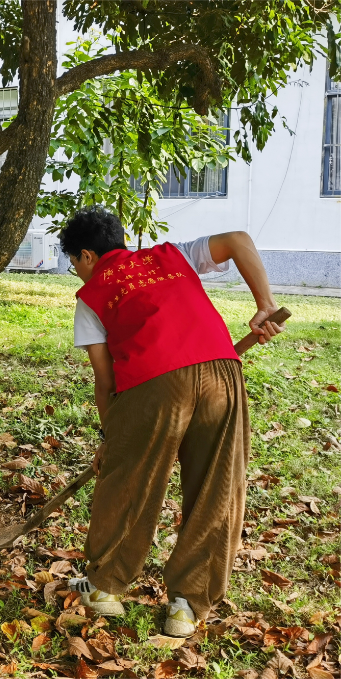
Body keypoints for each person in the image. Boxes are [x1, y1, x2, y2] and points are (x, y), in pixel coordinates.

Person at [59, 207, 284, 637]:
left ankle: (105, 586)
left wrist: (111, 439)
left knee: (128, 482)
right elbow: (238, 239)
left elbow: (105, 382)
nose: (78, 272)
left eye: (74, 263)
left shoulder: (91, 297)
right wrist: (265, 305)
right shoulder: (173, 255)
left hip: (152, 384)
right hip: (222, 373)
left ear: (86, 255)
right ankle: (187, 605)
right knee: (216, 485)